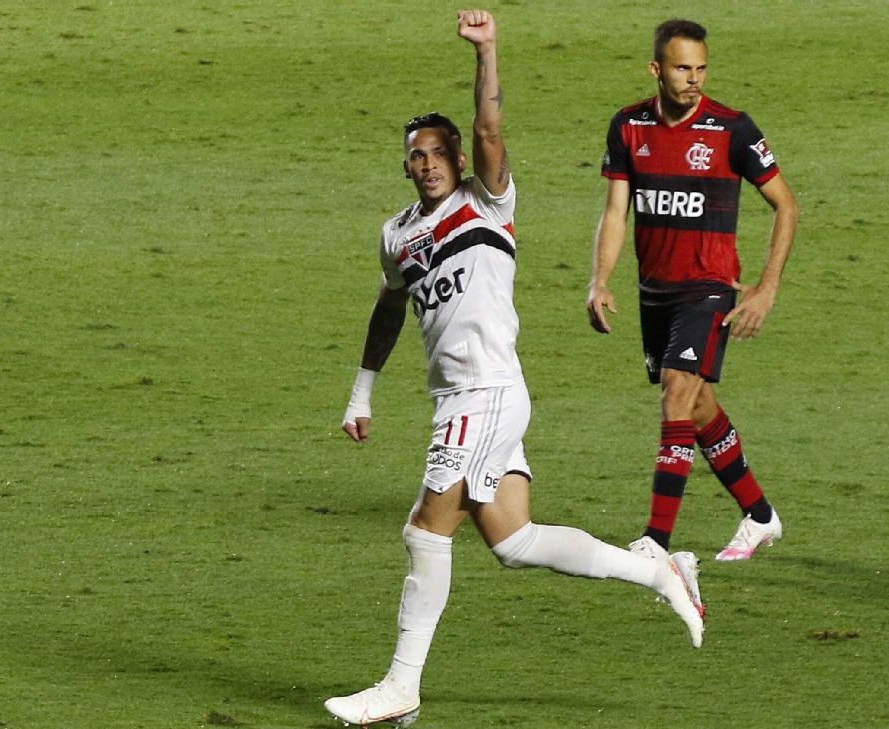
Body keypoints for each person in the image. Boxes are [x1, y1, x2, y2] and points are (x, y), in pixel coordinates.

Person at [325, 10, 705, 727]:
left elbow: (494, 130)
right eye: (418, 154)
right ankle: (658, 569)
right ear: (405, 164)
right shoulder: (398, 234)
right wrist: (361, 392)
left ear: (460, 157)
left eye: (441, 151)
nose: (430, 162)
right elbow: (387, 310)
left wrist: (487, 52)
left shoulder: (486, 202)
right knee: (514, 539)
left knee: (425, 529)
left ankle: (401, 686)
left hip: (489, 391)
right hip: (458, 399)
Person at [586, 19, 800, 563]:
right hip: (653, 292)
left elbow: (786, 205)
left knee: (677, 392)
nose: (694, 79)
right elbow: (616, 211)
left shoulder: (732, 129)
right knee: (699, 406)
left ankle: (655, 541)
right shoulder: (629, 126)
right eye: (683, 68)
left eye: (701, 68)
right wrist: (600, 281)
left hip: (707, 289)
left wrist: (766, 288)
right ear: (657, 70)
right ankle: (759, 515)